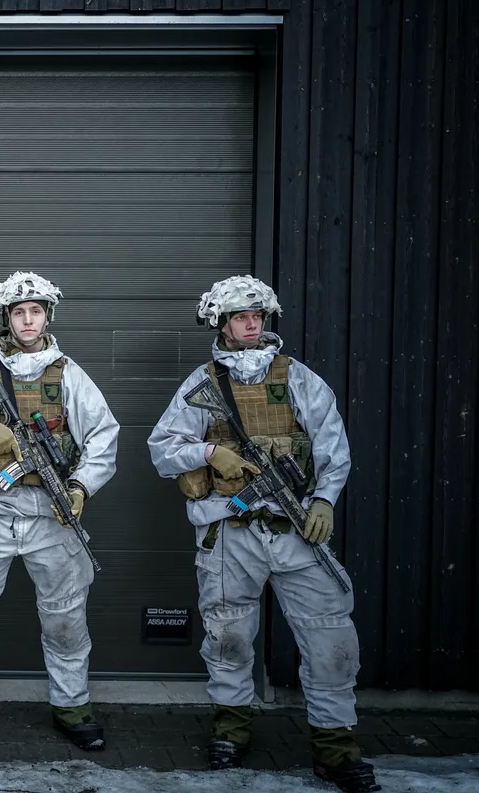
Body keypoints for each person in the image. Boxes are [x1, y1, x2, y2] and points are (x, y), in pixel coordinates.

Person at [147, 275, 379, 792]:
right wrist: (209, 452)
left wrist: (323, 500)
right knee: (227, 635)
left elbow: (332, 448)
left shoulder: (298, 379)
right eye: (240, 317)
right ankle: (232, 729)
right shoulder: (201, 384)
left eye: (258, 316)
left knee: (330, 638)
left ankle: (336, 747)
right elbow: (162, 448)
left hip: (295, 528)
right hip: (230, 529)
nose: (252, 324)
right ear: (222, 325)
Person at [0, 271, 120, 751]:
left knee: (65, 614)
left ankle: (72, 703)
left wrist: (79, 488)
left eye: (36, 311)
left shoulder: (69, 374)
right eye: (19, 312)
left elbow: (103, 437)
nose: (28, 320)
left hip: (50, 514)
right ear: (5, 319)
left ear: (47, 316)